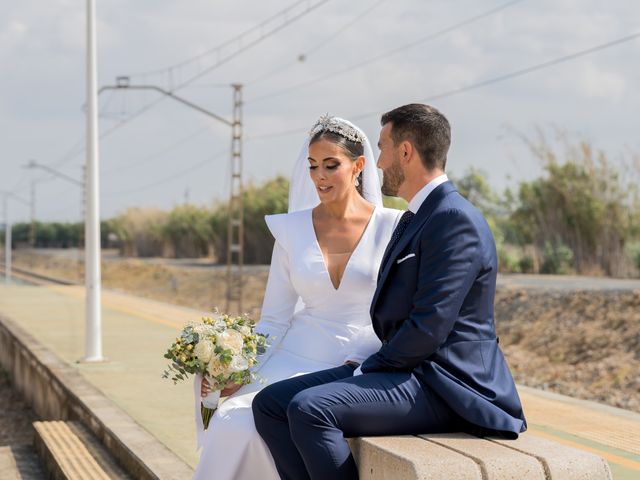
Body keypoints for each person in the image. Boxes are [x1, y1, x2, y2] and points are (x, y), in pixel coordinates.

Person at [252, 104, 527, 480]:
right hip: (411, 371)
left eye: (382, 148)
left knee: (311, 409)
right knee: (269, 404)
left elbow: (429, 327)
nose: (378, 163)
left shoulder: (453, 219)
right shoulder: (418, 216)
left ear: (406, 152)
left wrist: (366, 368)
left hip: (447, 384)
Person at [192, 115, 403, 480]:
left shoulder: (395, 227)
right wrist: (239, 368)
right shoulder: (290, 230)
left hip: (359, 359)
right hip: (295, 355)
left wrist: (371, 359)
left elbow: (399, 312)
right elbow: (274, 319)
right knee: (234, 421)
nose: (319, 176)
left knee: (290, 419)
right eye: (313, 166)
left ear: (359, 167)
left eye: (331, 165)